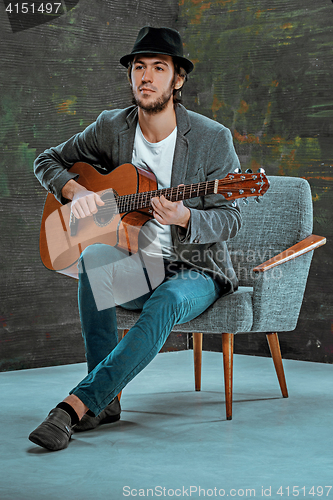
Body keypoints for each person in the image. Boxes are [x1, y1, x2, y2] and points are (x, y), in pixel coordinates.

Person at [29, 26, 242, 451]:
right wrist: (77, 191)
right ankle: (106, 404)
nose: (146, 77)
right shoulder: (112, 128)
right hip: (139, 262)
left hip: (195, 269)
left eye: (158, 68)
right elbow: (46, 160)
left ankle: (78, 405)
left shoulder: (212, 139)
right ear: (130, 76)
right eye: (138, 67)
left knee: (168, 298)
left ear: (177, 79)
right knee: (94, 260)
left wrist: (186, 216)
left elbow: (232, 218)